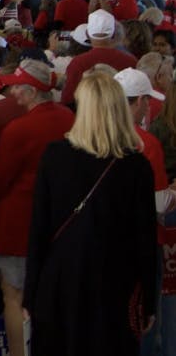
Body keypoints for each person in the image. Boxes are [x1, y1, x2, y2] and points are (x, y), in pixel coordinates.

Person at [25, 71, 157, 356]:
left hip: (60, 279)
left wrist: (31, 291)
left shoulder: (54, 156)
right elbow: (145, 240)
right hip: (115, 283)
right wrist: (150, 300)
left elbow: (39, 228)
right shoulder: (135, 166)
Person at [0, 59, 73, 355]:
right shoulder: (70, 120)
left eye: (18, 89)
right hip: (63, 225)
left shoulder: (18, 129)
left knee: (14, 295)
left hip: (18, 224)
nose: (13, 95)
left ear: (32, 91)